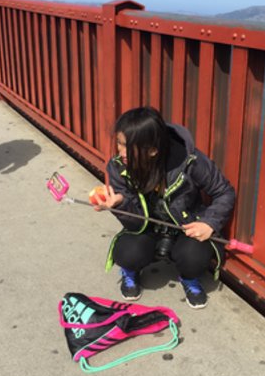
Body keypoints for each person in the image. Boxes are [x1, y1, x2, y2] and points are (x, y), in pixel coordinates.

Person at [94, 107, 235, 309]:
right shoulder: (118, 166)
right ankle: (130, 272)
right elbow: (136, 224)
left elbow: (224, 191)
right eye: (120, 143)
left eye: (129, 147)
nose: (121, 152)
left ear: (152, 150)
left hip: (185, 226)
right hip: (147, 227)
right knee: (126, 253)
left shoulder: (190, 161)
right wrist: (120, 204)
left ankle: (188, 278)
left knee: (193, 259)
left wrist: (209, 223)